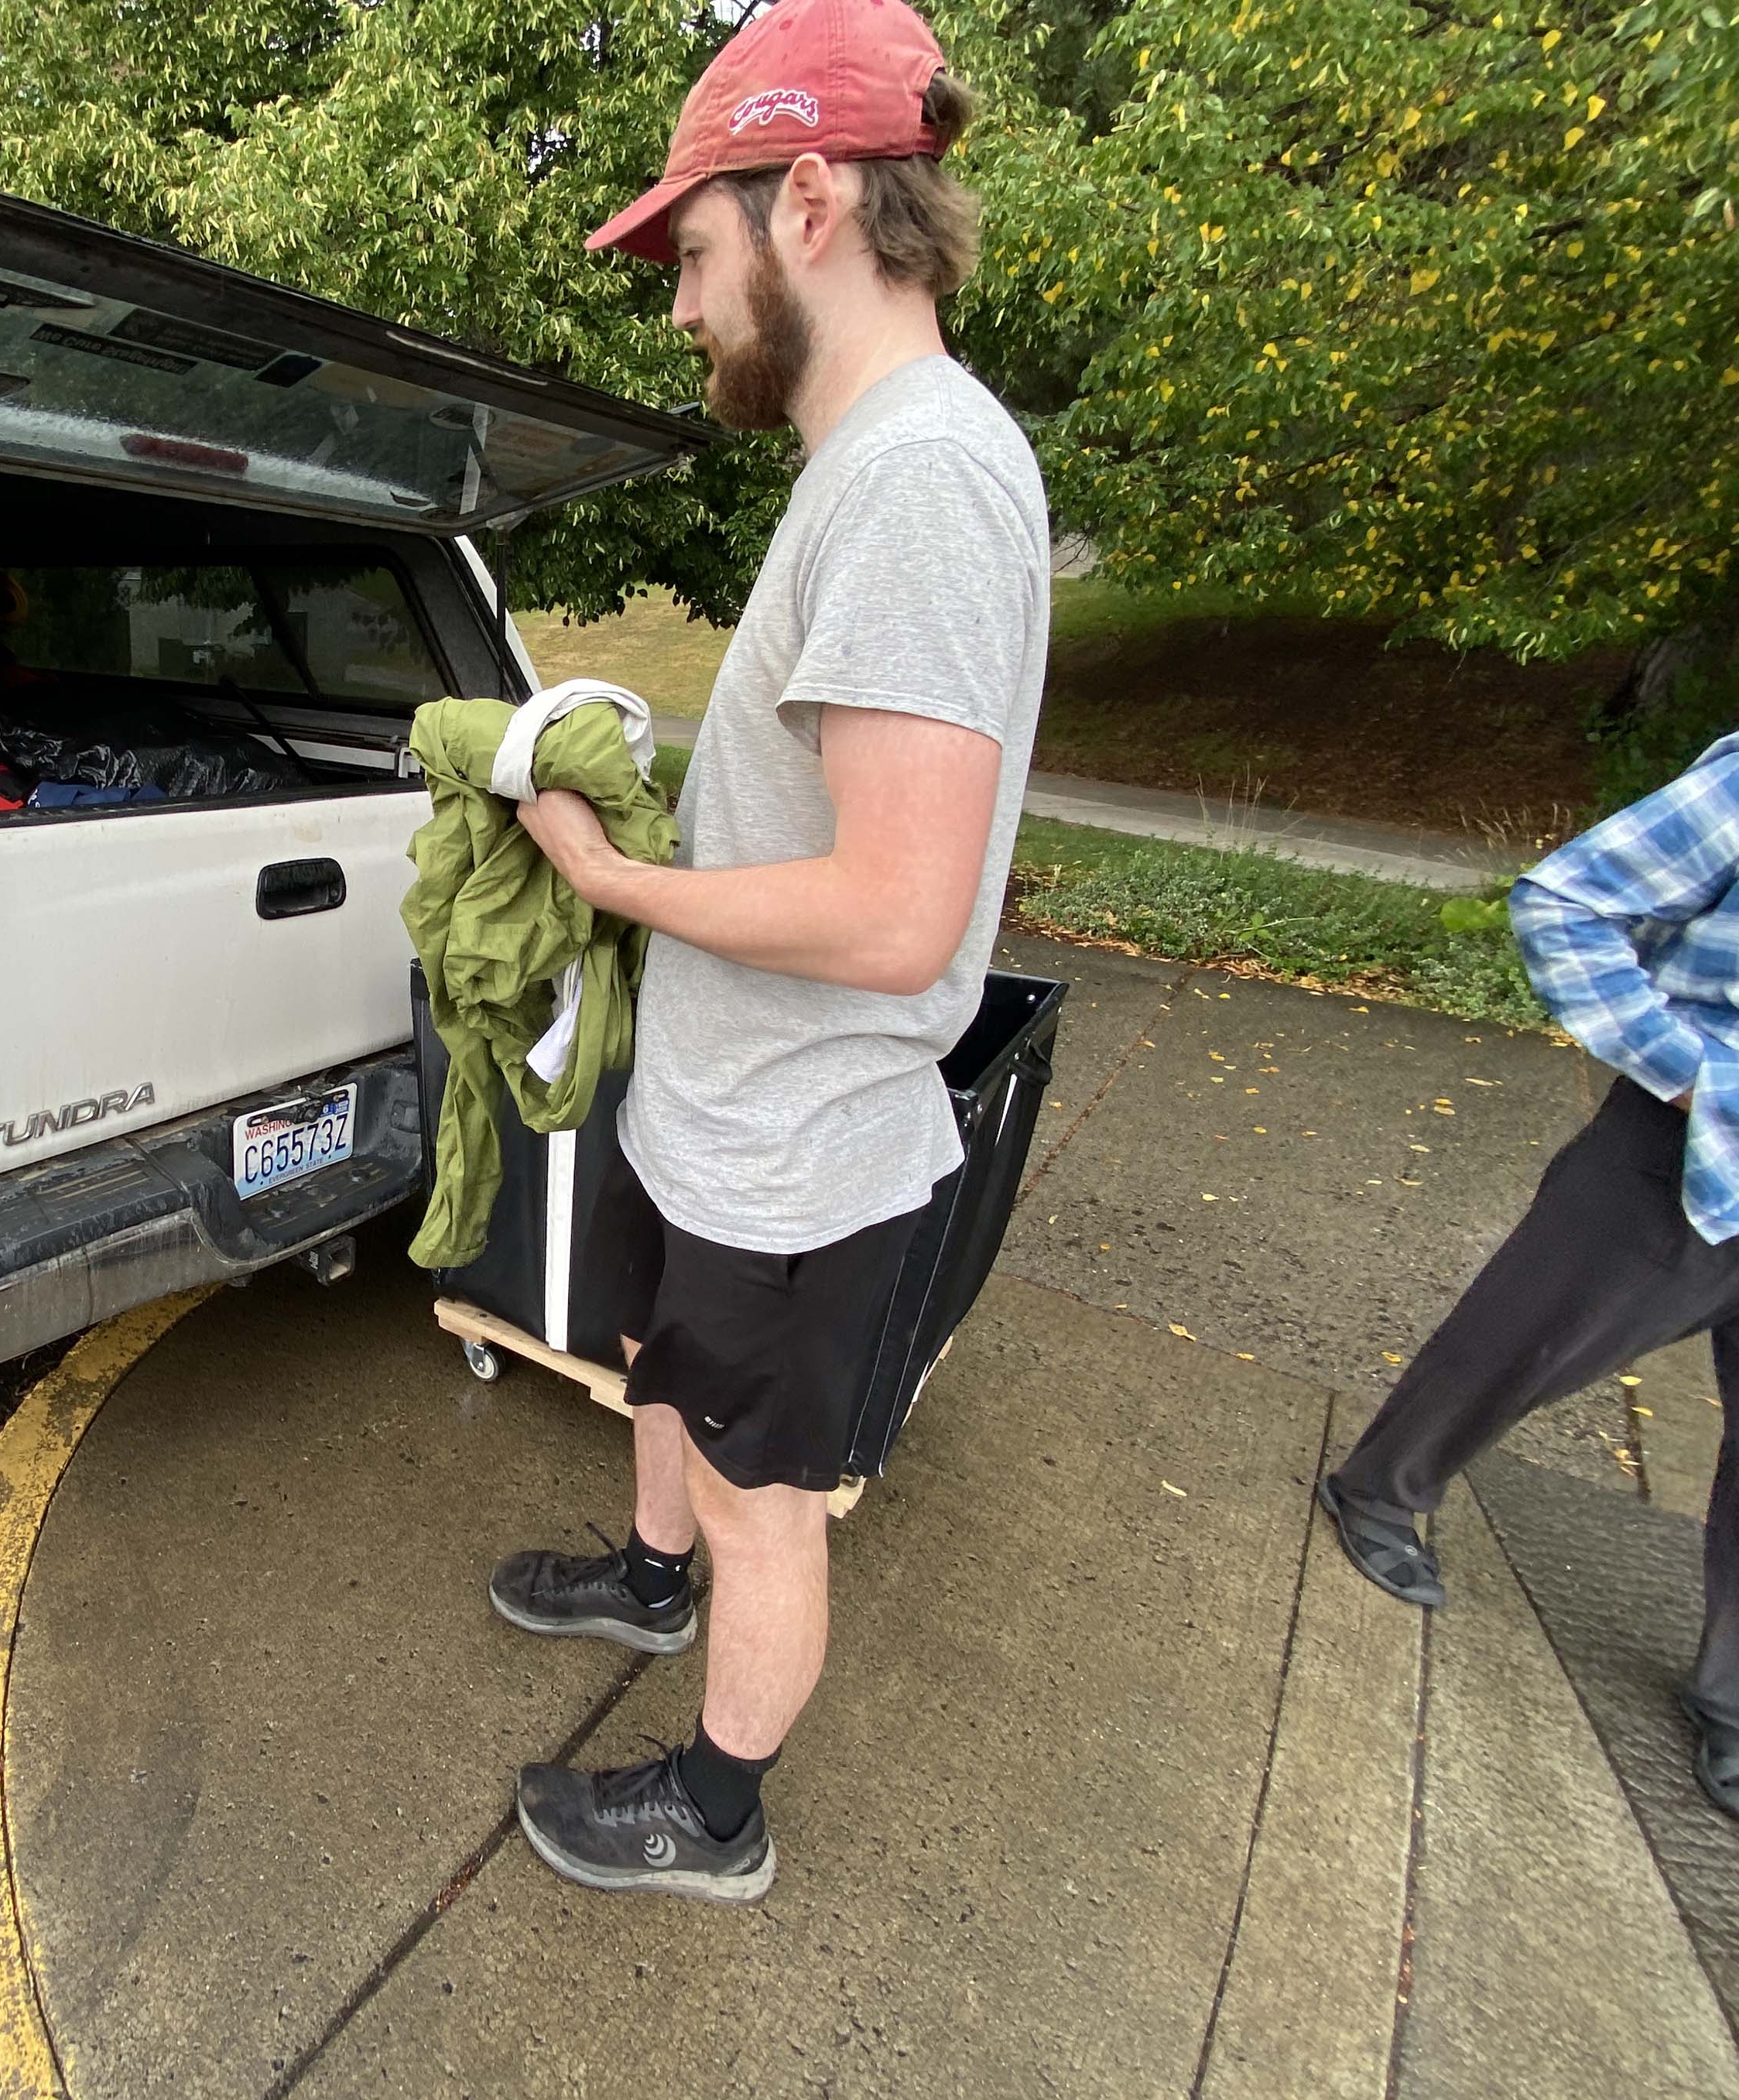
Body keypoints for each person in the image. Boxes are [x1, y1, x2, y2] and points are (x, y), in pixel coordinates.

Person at [490, 0, 1050, 1903]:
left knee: (766, 1501)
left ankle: (715, 1810)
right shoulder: (869, 459)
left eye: (691, 252)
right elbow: (822, 811)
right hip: (720, 1104)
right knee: (657, 1372)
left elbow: (896, 913)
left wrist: (613, 878)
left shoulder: (921, 480)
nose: (678, 304)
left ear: (809, 202)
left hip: (798, 1148)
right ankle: (651, 1581)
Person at [1320, 731, 1739, 1837]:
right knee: (1522, 1346)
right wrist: (1687, 1075)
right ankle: (1381, 1489)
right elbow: (1569, 901)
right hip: (1696, 1148)